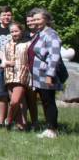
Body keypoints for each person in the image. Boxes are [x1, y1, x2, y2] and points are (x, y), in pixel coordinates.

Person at [28, 8, 62, 139]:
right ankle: (49, 127)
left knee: (49, 102)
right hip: (38, 75)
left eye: (39, 18)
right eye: (35, 19)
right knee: (45, 101)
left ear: (46, 19)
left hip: (46, 75)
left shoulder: (51, 35)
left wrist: (50, 75)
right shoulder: (39, 33)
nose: (36, 21)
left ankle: (52, 130)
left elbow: (54, 57)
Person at [2, 22, 30, 131]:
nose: (14, 33)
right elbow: (4, 59)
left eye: (16, 31)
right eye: (12, 31)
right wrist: (6, 63)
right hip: (9, 75)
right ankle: (21, 125)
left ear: (21, 31)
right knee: (19, 102)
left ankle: (8, 120)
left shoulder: (27, 44)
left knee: (15, 101)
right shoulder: (7, 44)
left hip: (22, 75)